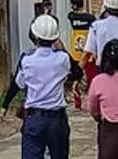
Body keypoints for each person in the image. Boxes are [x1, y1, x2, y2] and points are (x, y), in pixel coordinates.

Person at [16, 15, 81, 159]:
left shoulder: (26, 60)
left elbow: (20, 83)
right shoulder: (62, 59)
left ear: (35, 36)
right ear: (55, 38)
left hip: (34, 118)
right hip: (57, 119)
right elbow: (75, 71)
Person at [67, 0, 97, 109]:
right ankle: (92, 101)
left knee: (76, 76)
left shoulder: (71, 16)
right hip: (88, 50)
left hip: (76, 49)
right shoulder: (91, 18)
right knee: (91, 77)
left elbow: (72, 15)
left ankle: (77, 102)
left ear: (74, 5)